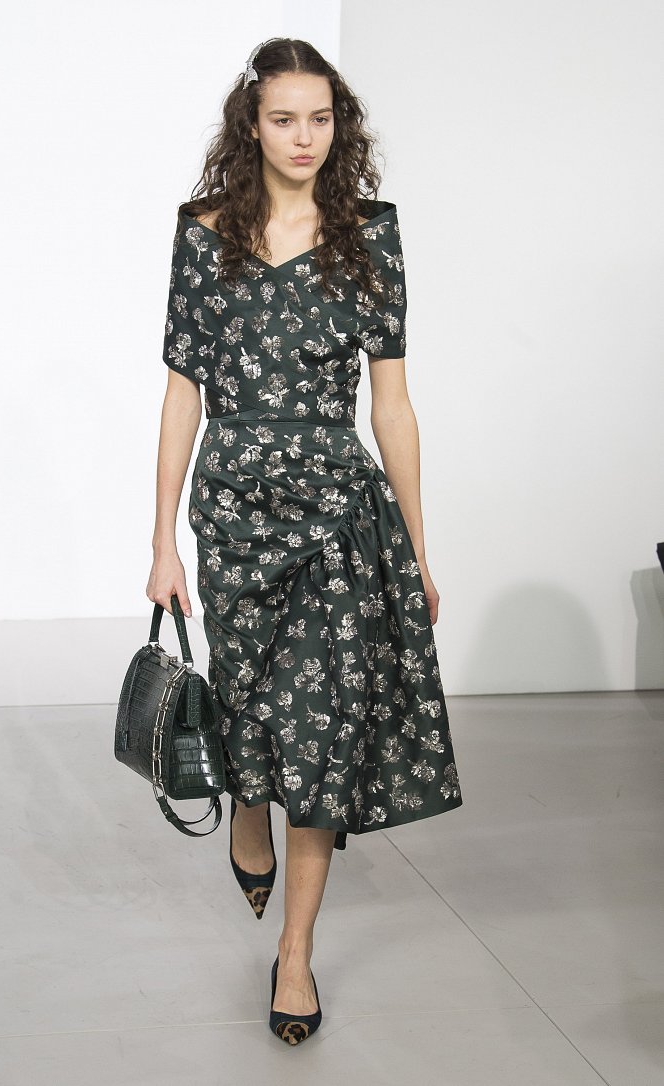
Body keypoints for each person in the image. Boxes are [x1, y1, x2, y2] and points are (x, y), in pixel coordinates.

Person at [147, 37, 464, 1045]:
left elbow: (393, 406)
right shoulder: (204, 233)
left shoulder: (369, 234)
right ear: (252, 124)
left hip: (338, 510)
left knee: (320, 732)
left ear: (339, 124)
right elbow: (182, 393)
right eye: (284, 118)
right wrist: (162, 540)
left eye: (320, 118)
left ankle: (294, 955)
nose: (303, 137)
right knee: (249, 706)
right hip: (234, 509)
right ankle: (247, 808)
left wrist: (418, 549)